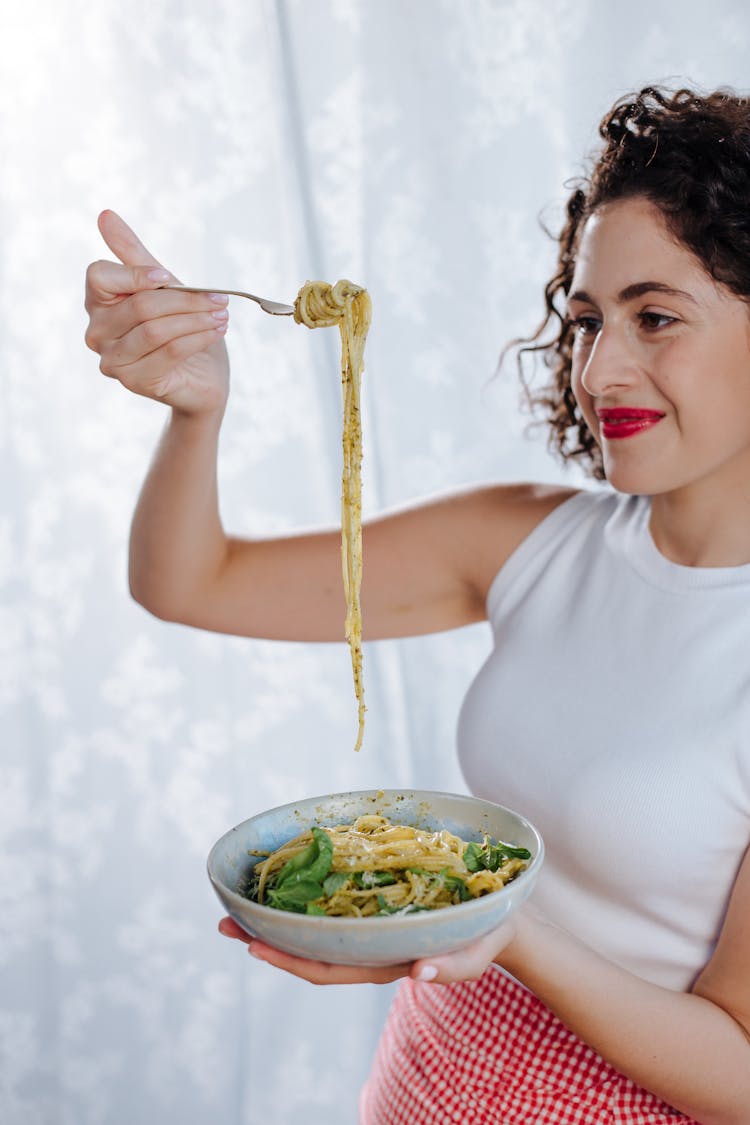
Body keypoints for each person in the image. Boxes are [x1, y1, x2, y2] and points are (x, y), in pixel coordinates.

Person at [84, 84, 750, 1125]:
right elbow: (189, 582)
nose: (597, 367)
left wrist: (504, 929)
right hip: (423, 1081)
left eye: (654, 317)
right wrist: (196, 408)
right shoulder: (530, 541)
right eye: (583, 321)